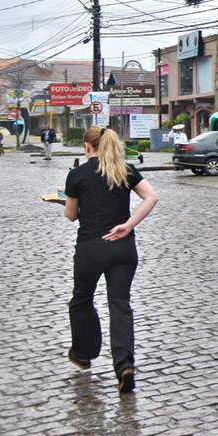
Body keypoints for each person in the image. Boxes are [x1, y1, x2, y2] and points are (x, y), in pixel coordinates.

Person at [63, 126, 159, 393]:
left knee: (82, 298)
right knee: (120, 305)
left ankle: (84, 353)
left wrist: (70, 203)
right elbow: (151, 197)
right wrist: (128, 225)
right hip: (123, 249)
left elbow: (71, 215)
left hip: (91, 248)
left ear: (87, 147)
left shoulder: (77, 175)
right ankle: (124, 366)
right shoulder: (125, 171)